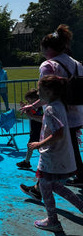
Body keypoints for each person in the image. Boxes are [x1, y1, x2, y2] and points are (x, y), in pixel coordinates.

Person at [20, 24, 83, 201]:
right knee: (70, 147)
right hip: (76, 113)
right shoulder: (77, 64)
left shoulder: (48, 66)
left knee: (49, 151)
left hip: (57, 113)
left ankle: (42, 187)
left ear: (48, 48)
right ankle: (71, 178)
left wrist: (33, 106)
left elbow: (46, 93)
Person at [27, 75, 83, 232]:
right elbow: (50, 123)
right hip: (60, 155)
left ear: (49, 91)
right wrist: (33, 116)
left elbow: (58, 133)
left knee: (45, 186)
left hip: (52, 157)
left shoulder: (51, 109)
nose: (38, 93)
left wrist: (39, 144)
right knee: (57, 187)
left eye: (40, 90)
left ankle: (53, 220)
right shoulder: (58, 105)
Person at [16, 88, 43, 169]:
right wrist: (25, 107)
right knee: (33, 146)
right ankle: (26, 162)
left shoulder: (39, 107)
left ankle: (27, 162)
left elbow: (33, 115)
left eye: (29, 100)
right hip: (36, 129)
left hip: (38, 129)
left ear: (35, 99)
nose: (29, 102)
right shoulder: (37, 107)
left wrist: (26, 109)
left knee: (35, 146)